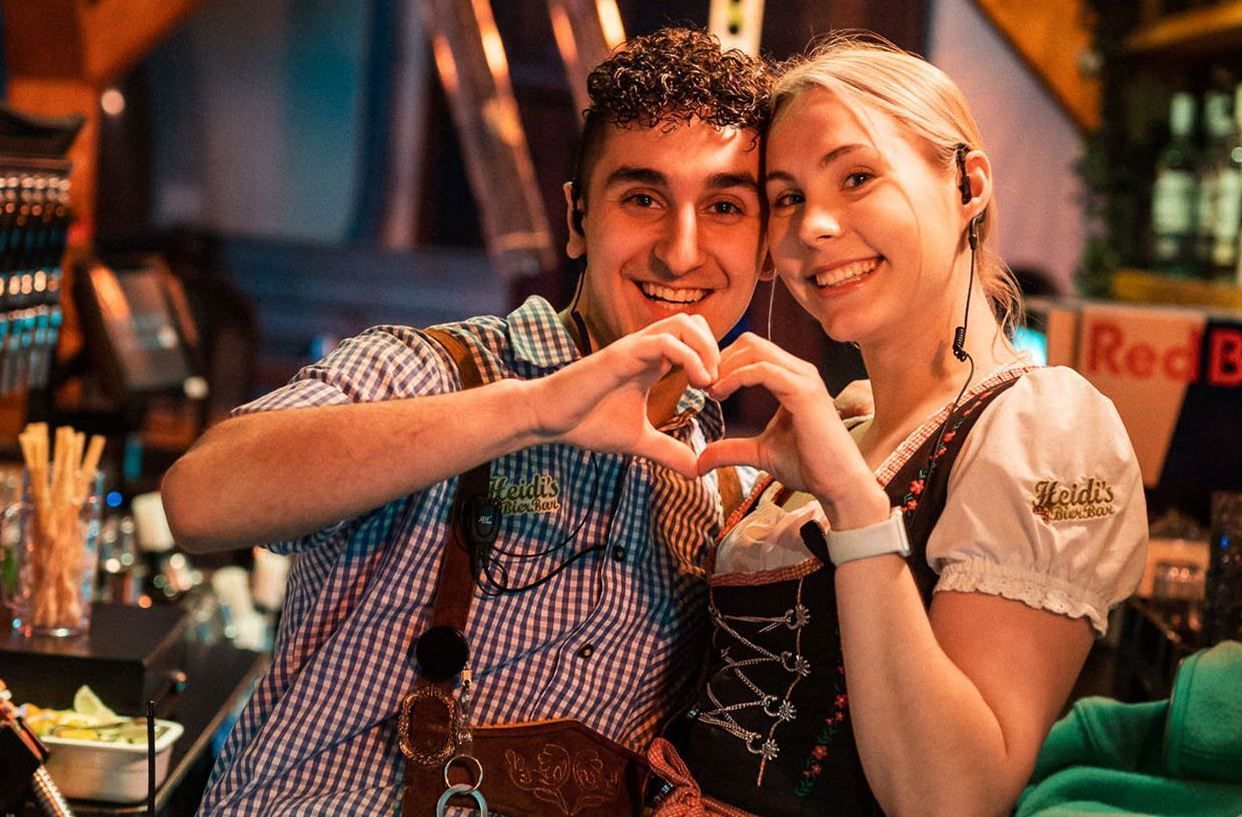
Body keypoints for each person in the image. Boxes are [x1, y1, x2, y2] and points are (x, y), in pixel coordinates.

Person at [160, 28, 775, 815]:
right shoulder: (429, 371)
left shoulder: (730, 489)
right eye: (642, 198)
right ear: (579, 217)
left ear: (766, 247)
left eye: (724, 206)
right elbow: (199, 502)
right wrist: (531, 410)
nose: (680, 251)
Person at [646, 37, 1149, 817]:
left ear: (968, 183)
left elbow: (950, 798)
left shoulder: (1044, 427)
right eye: (785, 197)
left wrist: (854, 503)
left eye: (857, 177)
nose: (814, 226)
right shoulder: (844, 417)